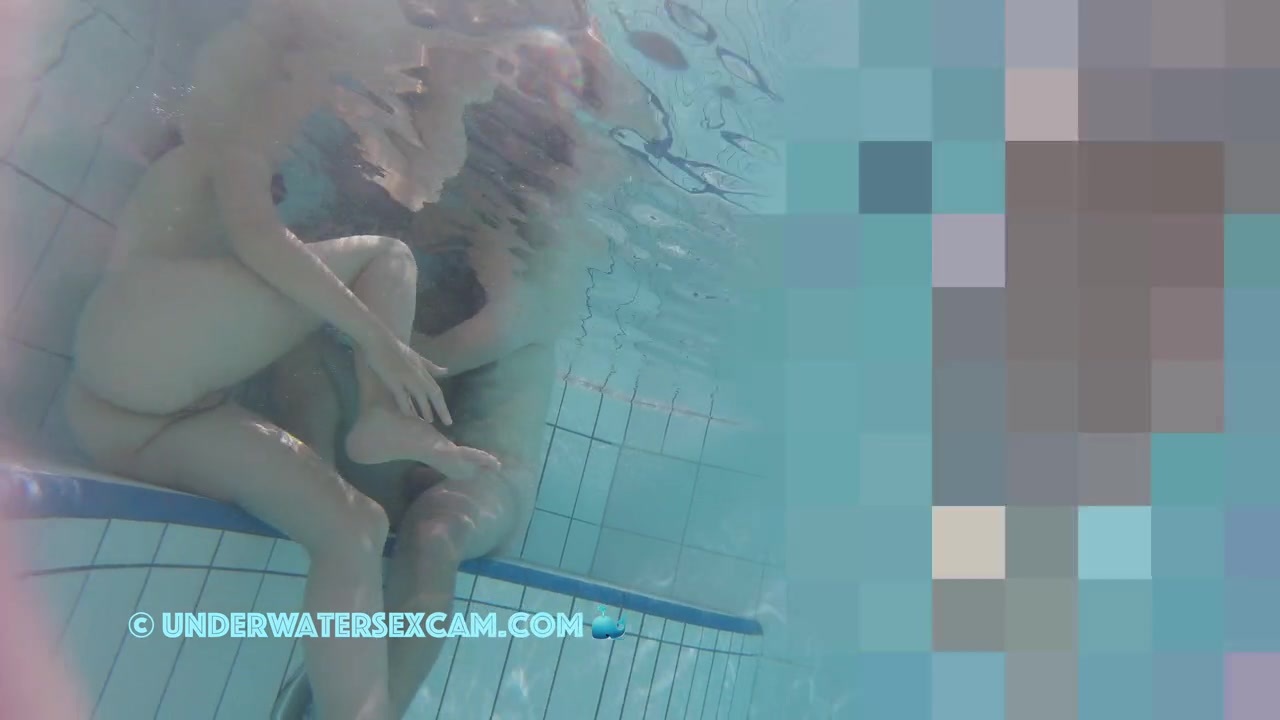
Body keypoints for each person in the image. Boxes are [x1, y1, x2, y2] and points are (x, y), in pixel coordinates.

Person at [61, 2, 532, 718]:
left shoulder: (260, 120)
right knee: (385, 259)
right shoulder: (265, 77)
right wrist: (381, 340)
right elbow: (259, 237)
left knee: (354, 527)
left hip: (131, 422)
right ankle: (378, 414)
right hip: (134, 347)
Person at [265, 15, 660, 720]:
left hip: (487, 481)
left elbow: (427, 364)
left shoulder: (541, 276)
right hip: (413, 460)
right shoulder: (473, 246)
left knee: (432, 535)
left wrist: (355, 310)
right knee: (307, 359)